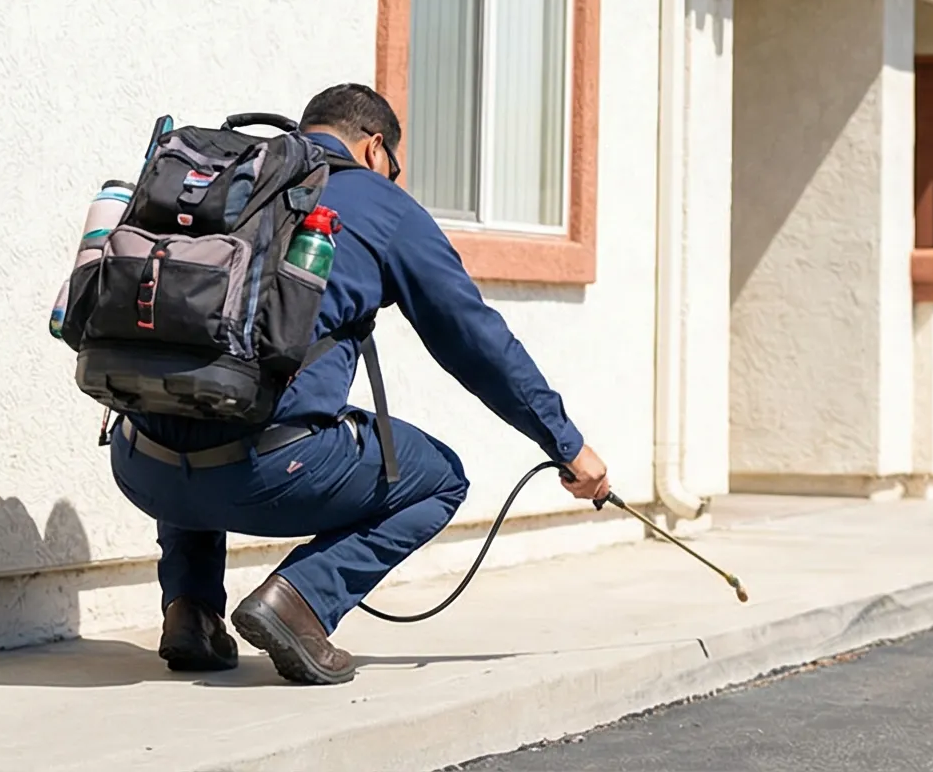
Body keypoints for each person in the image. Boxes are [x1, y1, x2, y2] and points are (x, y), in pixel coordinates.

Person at [106, 82, 610, 684]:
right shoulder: (378, 204)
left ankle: (190, 613)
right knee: (440, 479)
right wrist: (565, 444)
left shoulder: (231, 186)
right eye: (392, 169)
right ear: (375, 150)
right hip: (265, 477)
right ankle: (299, 601)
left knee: (201, 380)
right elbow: (477, 343)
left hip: (141, 467)